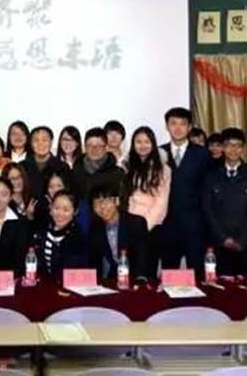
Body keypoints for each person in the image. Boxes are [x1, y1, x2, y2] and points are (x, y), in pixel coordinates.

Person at [202, 128, 247, 277]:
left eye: (238, 145)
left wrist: (242, 240)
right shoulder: (211, 176)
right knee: (219, 287)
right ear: (223, 147)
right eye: (229, 145)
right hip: (219, 244)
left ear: (243, 149)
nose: (233, 149)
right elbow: (207, 209)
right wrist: (224, 238)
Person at [160, 107, 210, 277]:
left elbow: (207, 190)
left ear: (189, 127)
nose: (178, 128)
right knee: (169, 276)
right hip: (167, 226)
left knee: (198, 276)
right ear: (167, 126)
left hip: (195, 226)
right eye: (173, 123)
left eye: (182, 124)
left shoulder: (203, 154)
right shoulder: (159, 152)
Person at [125, 126, 171, 276]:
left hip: (151, 227)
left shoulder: (163, 169)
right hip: (130, 224)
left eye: (147, 141)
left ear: (153, 144)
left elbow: (161, 202)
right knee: (130, 271)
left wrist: (145, 225)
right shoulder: (129, 166)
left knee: (147, 272)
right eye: (138, 142)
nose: (142, 145)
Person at [89, 183, 148, 281]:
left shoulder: (136, 223)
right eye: (97, 203)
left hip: (133, 278)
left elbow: (142, 256)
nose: (102, 207)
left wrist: (140, 279)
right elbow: (93, 262)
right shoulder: (95, 228)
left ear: (117, 201)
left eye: (107, 201)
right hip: (108, 279)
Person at [33, 190, 89, 280]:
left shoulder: (78, 237)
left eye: (66, 210)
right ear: (50, 208)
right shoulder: (42, 229)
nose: (60, 214)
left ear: (75, 212)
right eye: (56, 208)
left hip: (68, 285)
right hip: (44, 284)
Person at [70, 127, 124, 202]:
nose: (94, 149)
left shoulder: (117, 174)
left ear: (106, 147)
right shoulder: (75, 172)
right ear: (84, 147)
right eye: (90, 145)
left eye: (99, 146)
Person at [22, 125, 68, 200]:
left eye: (44, 140)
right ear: (31, 143)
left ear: (51, 142)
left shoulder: (62, 167)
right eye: (36, 140)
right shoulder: (22, 167)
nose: (40, 144)